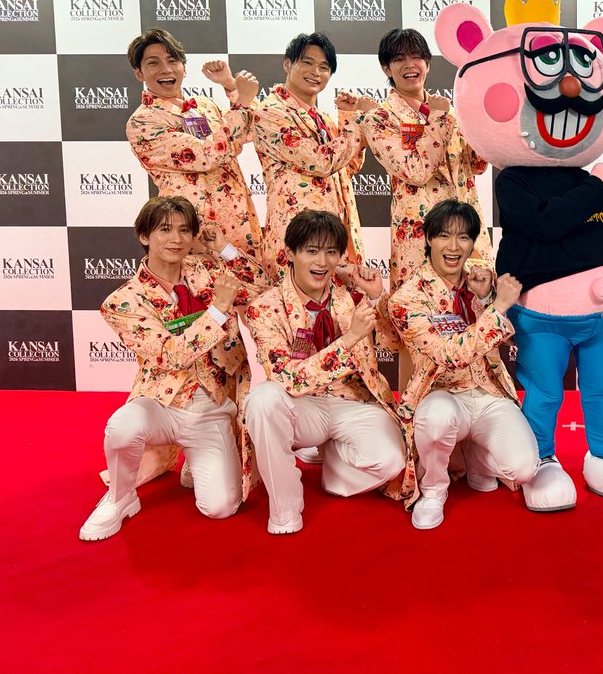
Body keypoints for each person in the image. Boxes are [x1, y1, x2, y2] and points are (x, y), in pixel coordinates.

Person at [80, 196, 268, 541]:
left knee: (221, 507)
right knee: (122, 427)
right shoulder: (122, 301)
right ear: (144, 236)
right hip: (161, 404)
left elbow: (263, 288)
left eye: (184, 230)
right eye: (165, 230)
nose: (176, 239)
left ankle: (196, 461)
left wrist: (224, 248)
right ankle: (120, 498)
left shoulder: (208, 270)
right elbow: (172, 356)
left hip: (211, 408)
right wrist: (218, 309)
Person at [244, 210, 407, 535]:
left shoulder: (353, 293)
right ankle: (285, 510)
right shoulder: (264, 308)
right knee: (262, 400)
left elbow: (394, 342)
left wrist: (377, 295)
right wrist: (348, 340)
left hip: (354, 401)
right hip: (303, 405)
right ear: (290, 253)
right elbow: (287, 379)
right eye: (312, 251)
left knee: (391, 461)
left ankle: (334, 469)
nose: (322, 262)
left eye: (331, 251)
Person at [389, 200, 538, 529]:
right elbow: (449, 354)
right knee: (437, 418)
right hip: (440, 394)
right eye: (444, 236)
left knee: (524, 469)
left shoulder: (480, 284)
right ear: (429, 238)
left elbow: (511, 342)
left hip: (488, 394)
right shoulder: (407, 298)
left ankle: (475, 459)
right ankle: (433, 490)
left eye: (463, 237)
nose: (454, 247)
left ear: (472, 243)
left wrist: (485, 299)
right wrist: (496, 309)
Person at [363, 28, 492, 390]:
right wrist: (438, 119)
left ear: (428, 63)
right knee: (417, 334)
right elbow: (415, 171)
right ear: (386, 69)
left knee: (477, 317)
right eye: (399, 59)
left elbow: (477, 164)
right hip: (419, 241)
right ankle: (415, 418)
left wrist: (477, 118)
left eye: (416, 56)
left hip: (467, 236)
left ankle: (482, 409)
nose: (410, 65)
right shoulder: (380, 119)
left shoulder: (447, 110)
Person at [124, 29, 264, 264]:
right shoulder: (142, 122)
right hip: (195, 231)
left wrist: (231, 85)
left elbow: (256, 129)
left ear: (184, 68)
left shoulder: (204, 105)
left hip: (239, 220)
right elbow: (207, 155)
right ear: (139, 73)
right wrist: (241, 102)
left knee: (251, 281)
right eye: (153, 63)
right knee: (203, 288)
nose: (166, 69)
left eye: (172, 60)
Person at [252, 32, 372, 278]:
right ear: (288, 63)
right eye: (307, 62)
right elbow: (321, 162)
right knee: (295, 301)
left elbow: (348, 166)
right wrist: (359, 123)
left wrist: (347, 116)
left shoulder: (323, 118)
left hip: (335, 233)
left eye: (324, 67)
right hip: (299, 237)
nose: (316, 72)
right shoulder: (270, 112)